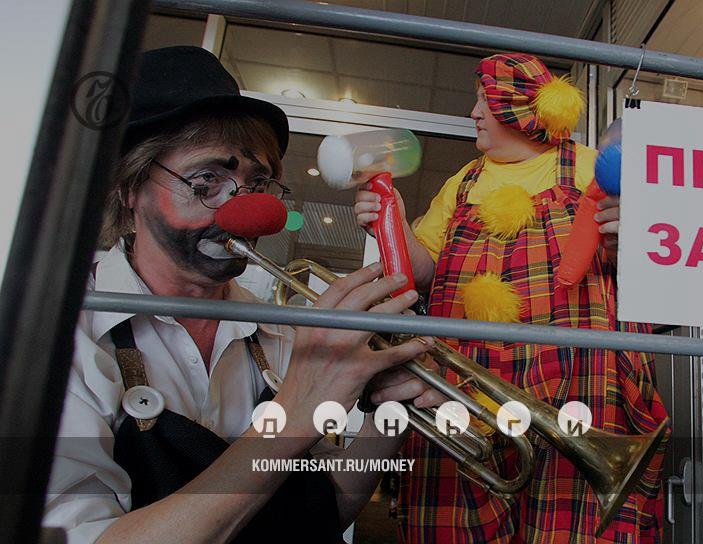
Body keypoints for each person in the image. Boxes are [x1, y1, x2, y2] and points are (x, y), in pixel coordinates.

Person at [43, 46, 444, 543]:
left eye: (257, 183)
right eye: (206, 180)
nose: (244, 211)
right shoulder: (60, 336)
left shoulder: (276, 333)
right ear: (131, 187)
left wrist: (389, 419)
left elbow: (320, 510)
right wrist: (297, 409)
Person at [355, 53, 669, 543]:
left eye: (485, 100)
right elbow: (422, 273)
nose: (474, 112)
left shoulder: (588, 165)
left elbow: (644, 264)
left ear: (521, 106)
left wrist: (625, 237)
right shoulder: (462, 183)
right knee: (459, 512)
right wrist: (390, 217)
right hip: (464, 379)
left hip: (576, 373)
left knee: (573, 520)